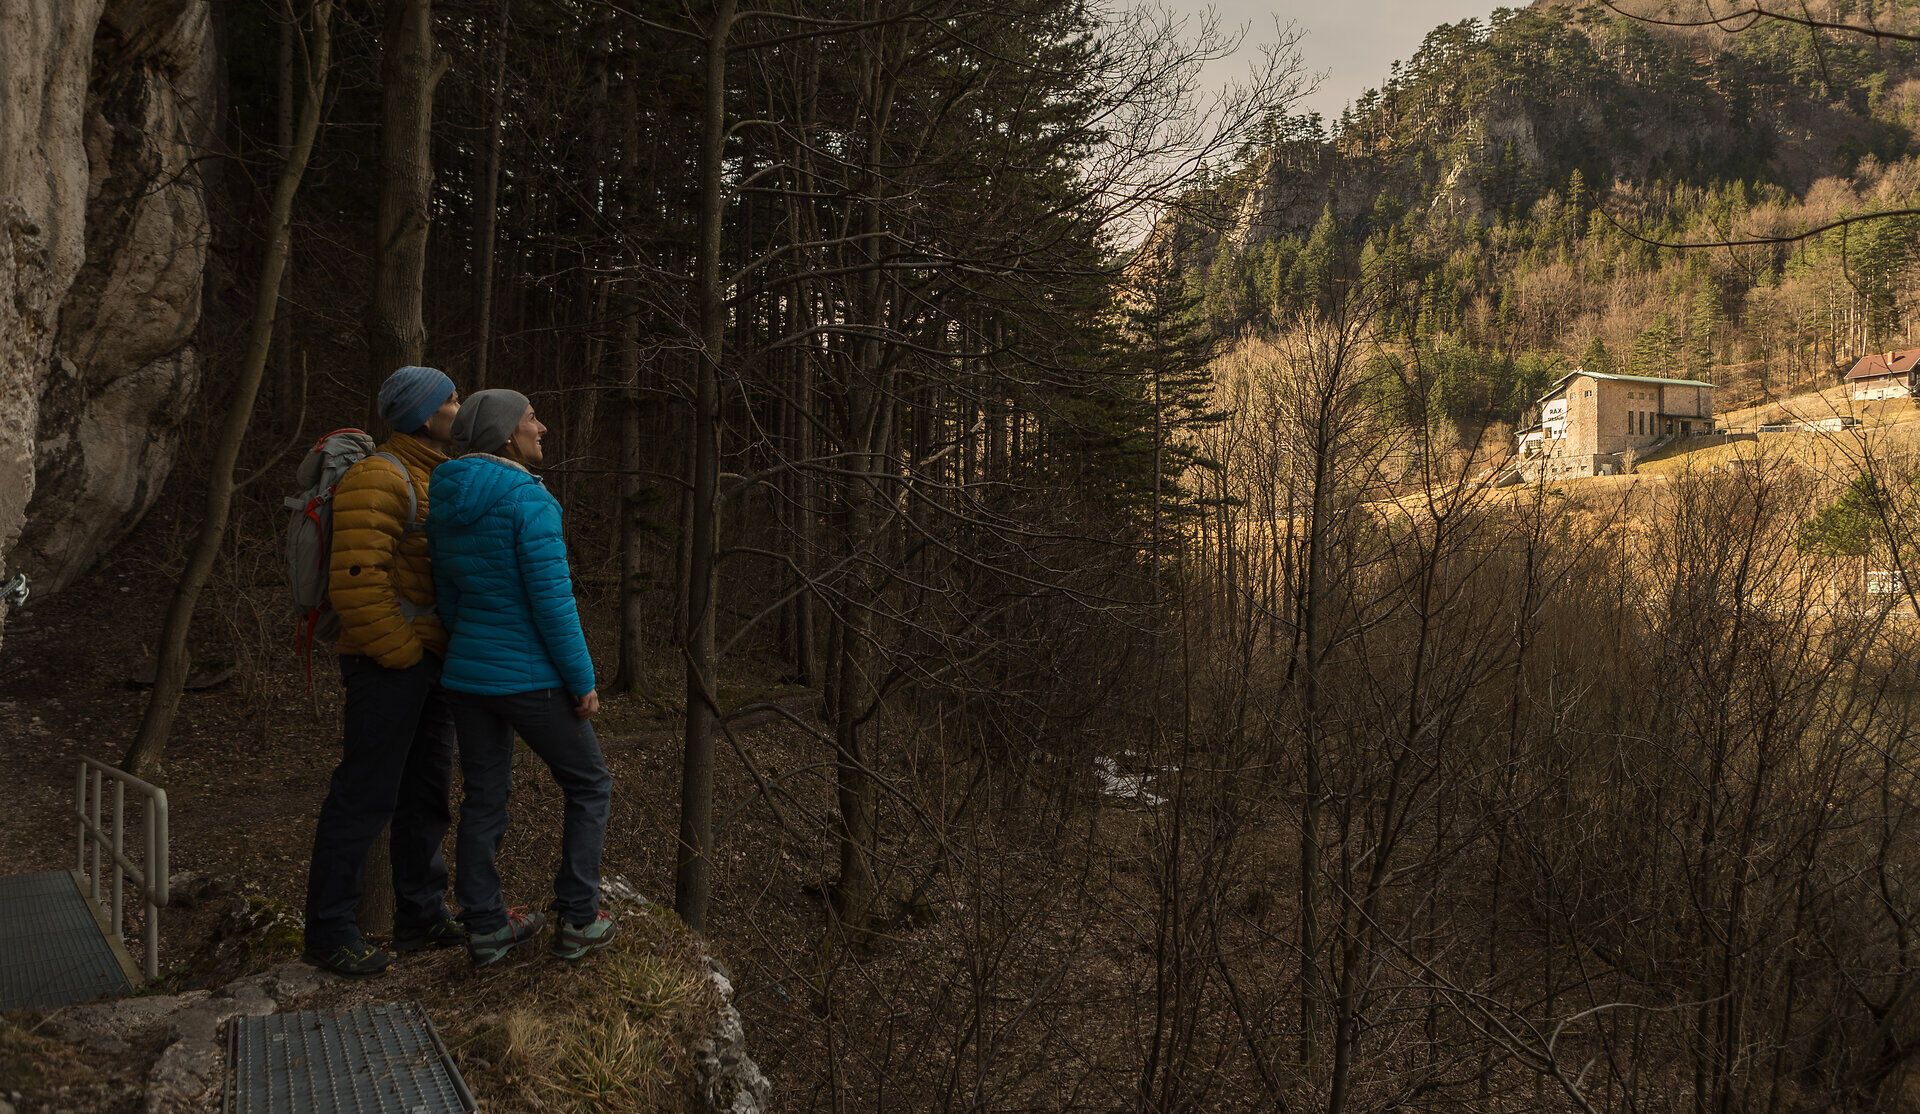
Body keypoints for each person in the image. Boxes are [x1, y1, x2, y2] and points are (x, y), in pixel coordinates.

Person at [427, 389, 614, 965]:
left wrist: (473, 647)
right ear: (508, 434)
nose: (544, 427)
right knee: (589, 783)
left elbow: (449, 597)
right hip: (528, 676)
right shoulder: (530, 502)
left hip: (467, 676)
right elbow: (553, 603)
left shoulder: (446, 494)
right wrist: (581, 680)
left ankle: (485, 925)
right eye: (533, 418)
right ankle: (581, 916)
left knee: (485, 796)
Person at [303, 366, 465, 976]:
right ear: (425, 415)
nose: (459, 405)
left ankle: (421, 915)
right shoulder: (380, 476)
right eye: (450, 399)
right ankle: (329, 930)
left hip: (424, 664)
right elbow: (356, 582)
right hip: (388, 665)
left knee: (425, 796)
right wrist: (401, 653)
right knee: (364, 796)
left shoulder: (428, 474)